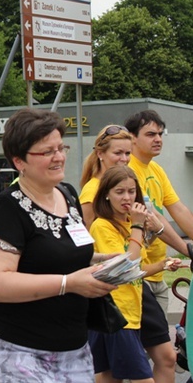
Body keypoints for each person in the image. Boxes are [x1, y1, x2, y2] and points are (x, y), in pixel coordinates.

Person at [0, 108, 116, 382]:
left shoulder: (68, 194)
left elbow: (59, 255)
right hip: (17, 348)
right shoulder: (7, 207)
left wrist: (99, 263)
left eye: (60, 147)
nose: (60, 157)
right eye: (47, 152)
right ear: (19, 161)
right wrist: (69, 283)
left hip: (73, 347)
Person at [88, 165, 182, 383]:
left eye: (131, 192)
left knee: (110, 376)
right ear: (106, 195)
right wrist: (139, 226)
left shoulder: (128, 223)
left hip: (130, 313)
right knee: (141, 378)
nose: (127, 198)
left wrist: (163, 264)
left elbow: (137, 270)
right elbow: (126, 266)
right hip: (116, 314)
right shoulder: (103, 226)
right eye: (119, 192)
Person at [125, 109, 193, 382]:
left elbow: (178, 209)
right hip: (134, 276)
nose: (158, 139)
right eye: (150, 134)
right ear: (132, 138)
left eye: (160, 134)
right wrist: (188, 250)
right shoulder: (127, 172)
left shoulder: (156, 169)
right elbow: (154, 222)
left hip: (157, 275)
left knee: (162, 356)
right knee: (139, 356)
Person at [79, 124, 190, 254]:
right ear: (100, 153)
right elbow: (83, 245)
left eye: (127, 153)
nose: (124, 159)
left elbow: (155, 219)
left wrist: (188, 251)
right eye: (118, 153)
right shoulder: (92, 191)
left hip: (141, 268)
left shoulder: (125, 183)